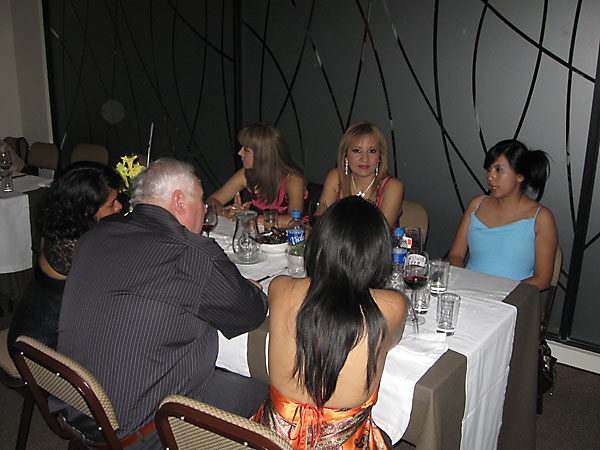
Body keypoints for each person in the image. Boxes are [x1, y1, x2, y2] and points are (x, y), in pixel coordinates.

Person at [53, 158, 268, 449]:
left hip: (79, 407)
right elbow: (251, 313)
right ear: (179, 201)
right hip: (139, 430)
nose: (204, 208)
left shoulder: (95, 235)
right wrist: (250, 290)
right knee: (261, 385)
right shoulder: (191, 255)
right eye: (201, 200)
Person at [252, 196, 407, 450]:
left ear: (318, 244)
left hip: (273, 441)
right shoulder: (392, 306)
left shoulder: (280, 288)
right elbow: (392, 340)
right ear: (377, 255)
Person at [7, 161, 122, 354]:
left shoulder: (60, 221)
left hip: (30, 321)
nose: (119, 206)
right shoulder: (73, 246)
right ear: (86, 210)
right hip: (41, 346)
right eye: (111, 204)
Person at [448, 139, 558, 291]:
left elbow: (543, 279)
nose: (490, 176)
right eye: (489, 169)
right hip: (467, 291)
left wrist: (498, 293)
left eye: (498, 170)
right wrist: (464, 283)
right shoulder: (476, 205)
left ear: (520, 176)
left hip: (512, 298)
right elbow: (455, 255)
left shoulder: (541, 217)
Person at [207, 122, 306, 228]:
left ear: (262, 155)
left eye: (246, 150)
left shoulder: (293, 179)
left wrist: (250, 217)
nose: (240, 153)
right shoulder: (246, 173)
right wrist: (226, 212)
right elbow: (211, 201)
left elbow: (293, 220)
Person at [318, 121, 404, 228]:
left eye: (372, 151)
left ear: (380, 157)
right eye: (357, 150)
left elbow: (380, 232)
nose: (364, 158)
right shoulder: (335, 177)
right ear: (345, 156)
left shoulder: (393, 186)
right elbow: (320, 221)